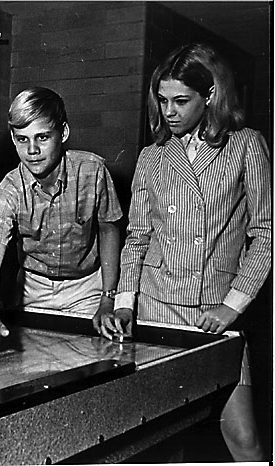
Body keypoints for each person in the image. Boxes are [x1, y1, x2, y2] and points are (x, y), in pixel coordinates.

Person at [102, 43, 270, 461]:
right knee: (154, 438)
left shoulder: (247, 145)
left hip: (213, 316)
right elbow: (137, 236)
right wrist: (125, 303)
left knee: (245, 440)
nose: (169, 111)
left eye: (181, 100)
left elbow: (266, 233)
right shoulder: (152, 157)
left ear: (210, 95)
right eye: (162, 100)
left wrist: (233, 306)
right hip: (155, 311)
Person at [0, 87, 122, 337]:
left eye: (42, 137)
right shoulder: (9, 189)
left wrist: (108, 299)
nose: (32, 150)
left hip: (87, 289)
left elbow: (109, 232)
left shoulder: (93, 170)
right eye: (22, 139)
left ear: (63, 133)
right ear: (13, 139)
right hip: (32, 292)